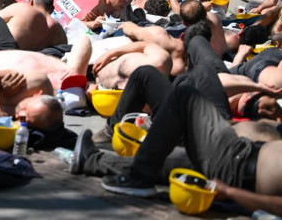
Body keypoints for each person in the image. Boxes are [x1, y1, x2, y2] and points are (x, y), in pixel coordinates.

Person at [99, 82, 282, 208]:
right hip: (240, 153)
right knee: (191, 84)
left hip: (237, 167)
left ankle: (138, 176)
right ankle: (92, 159)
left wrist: (230, 192)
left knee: (184, 95)